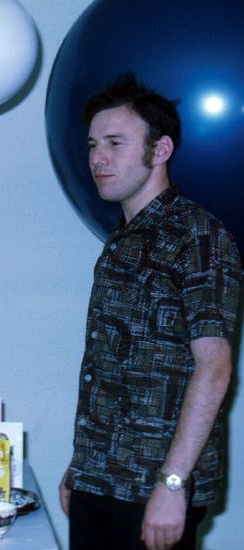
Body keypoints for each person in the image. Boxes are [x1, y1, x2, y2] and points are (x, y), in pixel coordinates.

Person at [59, 74, 242, 550]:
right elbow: (109, 371)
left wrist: (172, 484)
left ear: (159, 151)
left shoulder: (199, 237)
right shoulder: (120, 241)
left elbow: (215, 368)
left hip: (153, 491)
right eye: (94, 144)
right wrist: (80, 468)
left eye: (116, 143)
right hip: (98, 482)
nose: (98, 157)